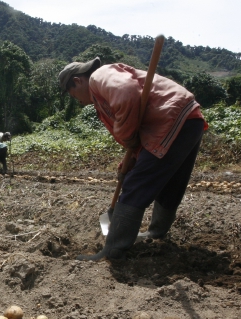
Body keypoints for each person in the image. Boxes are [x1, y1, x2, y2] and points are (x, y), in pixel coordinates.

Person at [58, 57, 207, 261]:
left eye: (74, 96)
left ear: (77, 80)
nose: (80, 102)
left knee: (136, 184)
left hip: (169, 119)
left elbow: (127, 94)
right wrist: (134, 157)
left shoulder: (98, 77)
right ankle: (156, 232)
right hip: (187, 120)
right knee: (171, 183)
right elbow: (139, 124)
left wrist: (127, 138)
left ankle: (113, 250)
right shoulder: (102, 86)